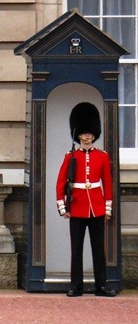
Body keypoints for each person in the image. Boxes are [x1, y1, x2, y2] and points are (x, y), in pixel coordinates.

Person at [55, 102, 117, 297]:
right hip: (77, 207)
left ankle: (101, 285)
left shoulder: (102, 156)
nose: (87, 136)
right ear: (78, 134)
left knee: (99, 250)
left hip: (96, 207)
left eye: (90, 132)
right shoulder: (70, 156)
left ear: (94, 134)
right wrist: (63, 207)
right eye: (84, 132)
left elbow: (107, 183)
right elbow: (60, 183)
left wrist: (107, 208)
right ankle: (76, 286)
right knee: (76, 250)